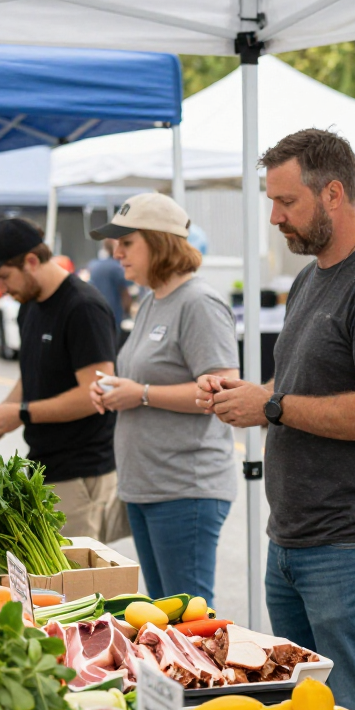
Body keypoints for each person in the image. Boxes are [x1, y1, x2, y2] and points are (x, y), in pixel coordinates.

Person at [200, 129, 355, 710]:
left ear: (333, 194)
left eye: (286, 202)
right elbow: (300, 387)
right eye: (271, 202)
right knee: (304, 707)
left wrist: (271, 408)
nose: (274, 217)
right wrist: (250, 394)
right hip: (295, 536)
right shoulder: (311, 276)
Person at [85, 193, 238, 604]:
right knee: (163, 612)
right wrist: (114, 390)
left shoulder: (199, 303)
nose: (116, 253)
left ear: (159, 242)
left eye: (127, 242)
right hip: (148, 485)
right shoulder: (153, 299)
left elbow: (223, 388)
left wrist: (142, 394)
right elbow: (142, 380)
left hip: (184, 487)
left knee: (188, 616)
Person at [0, 217, 120, 541]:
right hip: (44, 468)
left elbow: (97, 393)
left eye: (4, 277)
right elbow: (31, 376)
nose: (1, 289)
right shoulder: (31, 306)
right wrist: (1, 416)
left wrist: (22, 413)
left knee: (77, 583)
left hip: (80, 473)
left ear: (31, 261)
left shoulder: (83, 307)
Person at [85, 245, 132, 326]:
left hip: (93, 313)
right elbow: (125, 294)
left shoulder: (93, 265)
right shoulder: (117, 268)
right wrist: (127, 312)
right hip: (112, 315)